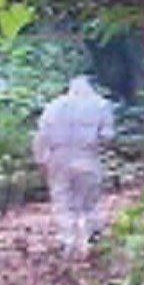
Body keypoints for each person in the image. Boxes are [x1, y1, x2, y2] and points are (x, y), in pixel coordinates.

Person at [32, 76, 116, 259]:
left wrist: (41, 159)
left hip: (58, 157)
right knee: (89, 201)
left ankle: (68, 241)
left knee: (63, 200)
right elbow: (107, 136)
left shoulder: (53, 106)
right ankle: (92, 237)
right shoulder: (101, 105)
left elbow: (42, 135)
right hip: (87, 156)